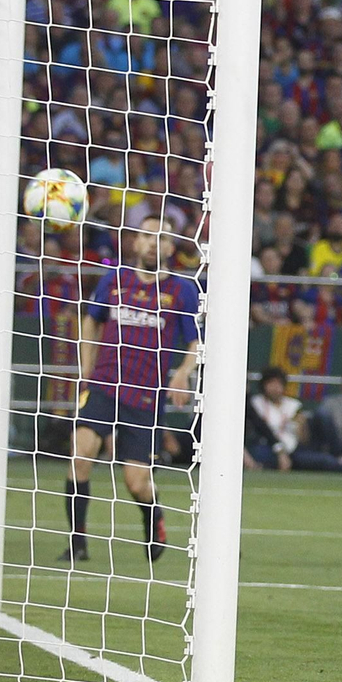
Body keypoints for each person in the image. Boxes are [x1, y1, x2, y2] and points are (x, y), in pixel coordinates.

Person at [60, 217, 200, 563]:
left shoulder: (182, 289)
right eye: (145, 235)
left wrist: (182, 373)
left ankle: (153, 517)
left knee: (136, 482)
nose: (153, 243)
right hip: (105, 384)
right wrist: (87, 369)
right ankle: (77, 544)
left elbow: (196, 341)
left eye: (161, 238)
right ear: (135, 242)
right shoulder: (113, 280)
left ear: (170, 247)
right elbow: (91, 319)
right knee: (80, 456)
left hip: (144, 395)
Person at [244, 368, 342, 472]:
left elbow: (304, 440)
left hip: (293, 450)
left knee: (324, 461)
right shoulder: (256, 403)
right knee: (261, 456)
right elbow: (260, 428)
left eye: (278, 384)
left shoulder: (293, 405)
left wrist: (301, 426)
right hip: (265, 448)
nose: (275, 388)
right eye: (271, 383)